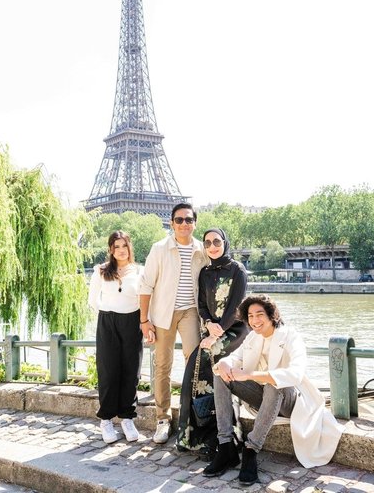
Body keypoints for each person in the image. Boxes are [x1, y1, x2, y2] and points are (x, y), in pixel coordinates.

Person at [203, 294, 344, 486]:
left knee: (274, 381)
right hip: (263, 397)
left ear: (271, 315)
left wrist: (251, 375)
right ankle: (226, 445)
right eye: (250, 316)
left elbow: (295, 374)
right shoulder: (252, 337)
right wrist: (226, 363)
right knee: (220, 373)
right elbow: (235, 358)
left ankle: (251, 450)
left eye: (259, 314)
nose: (254, 320)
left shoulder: (290, 336)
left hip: (292, 401)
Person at [176, 228, 249, 455]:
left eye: (217, 241)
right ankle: (196, 436)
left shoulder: (238, 270)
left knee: (209, 357)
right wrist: (208, 323)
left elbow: (237, 307)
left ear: (225, 242)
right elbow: (202, 305)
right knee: (195, 366)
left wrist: (216, 334)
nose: (212, 246)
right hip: (211, 330)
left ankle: (226, 435)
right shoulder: (205, 272)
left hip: (234, 330)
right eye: (207, 243)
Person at [140, 203, 208, 443]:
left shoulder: (202, 249)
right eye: (179, 220)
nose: (184, 224)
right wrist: (144, 320)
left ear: (195, 223)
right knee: (162, 366)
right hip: (163, 314)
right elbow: (146, 285)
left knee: (194, 364)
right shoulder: (159, 249)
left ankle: (190, 417)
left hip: (191, 312)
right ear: (171, 223)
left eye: (188, 220)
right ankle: (162, 419)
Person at [88, 231, 143, 444]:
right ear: (111, 249)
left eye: (124, 246)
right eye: (116, 246)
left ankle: (128, 418)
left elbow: (144, 299)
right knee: (108, 371)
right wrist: (107, 315)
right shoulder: (101, 271)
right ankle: (107, 420)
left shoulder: (140, 272)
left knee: (131, 372)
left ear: (130, 248)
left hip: (132, 321)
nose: (121, 250)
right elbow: (93, 300)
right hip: (108, 322)